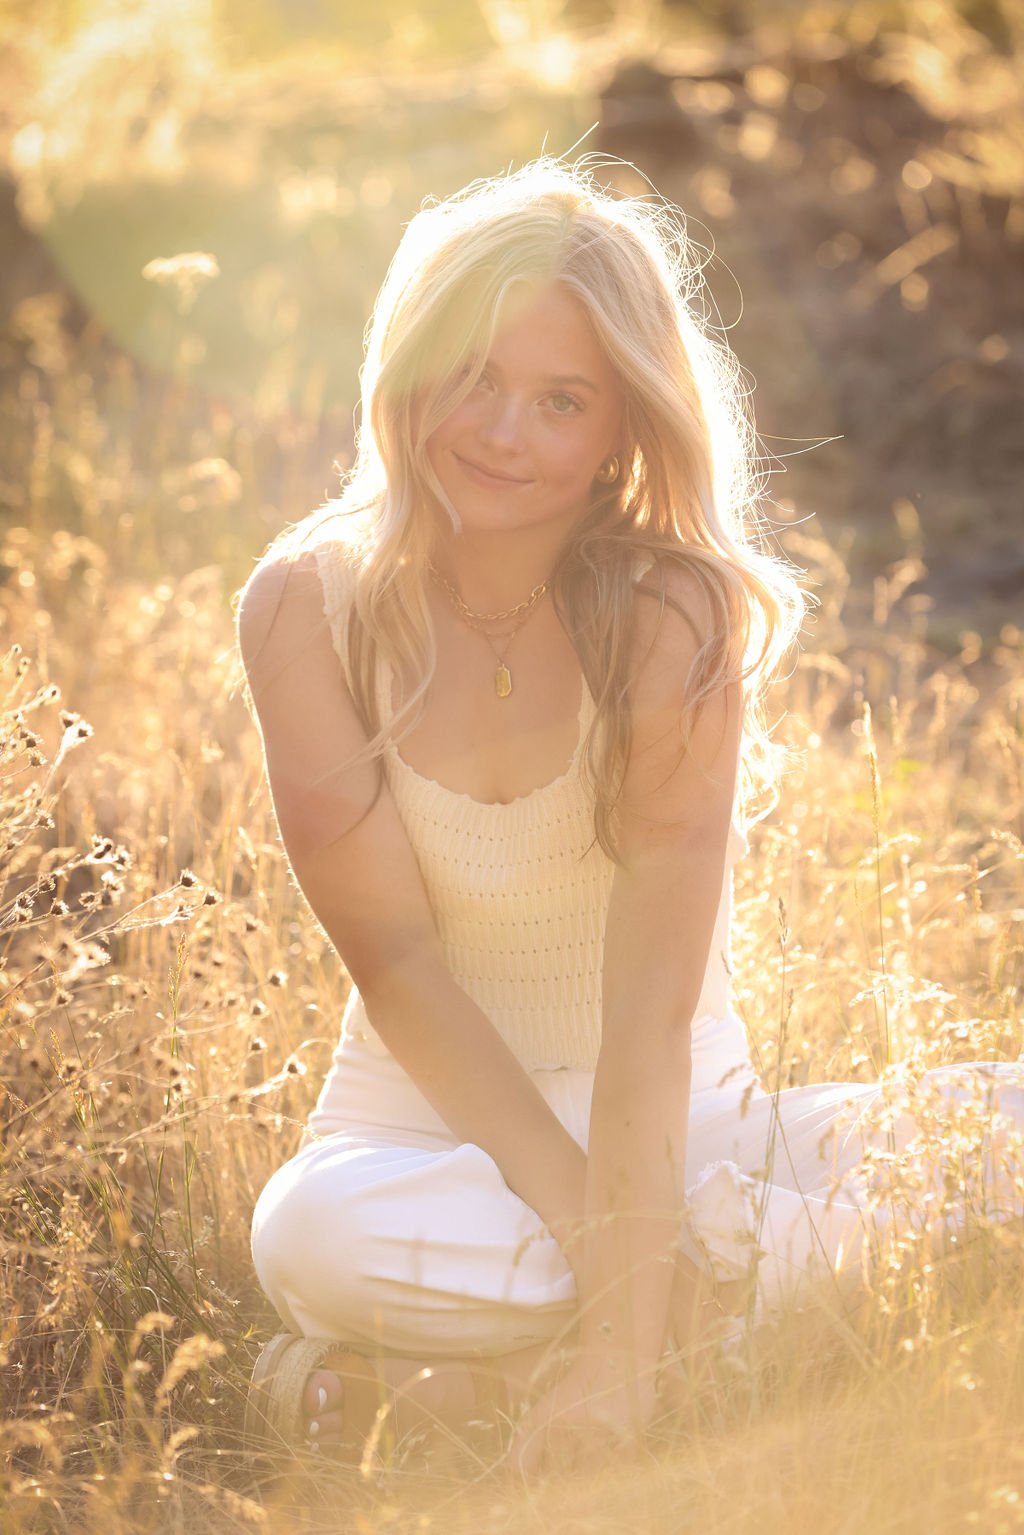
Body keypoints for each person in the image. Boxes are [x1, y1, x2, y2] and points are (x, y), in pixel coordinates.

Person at [234, 156, 1024, 1475]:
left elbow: (650, 1017)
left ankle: (442, 1392)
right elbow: (402, 967)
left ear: (620, 429)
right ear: (411, 365)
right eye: (475, 375)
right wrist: (618, 1273)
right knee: (312, 1239)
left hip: (679, 1113)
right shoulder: (304, 607)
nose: (501, 429)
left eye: (560, 401)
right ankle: (724, 1302)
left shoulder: (674, 617)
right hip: (421, 1131)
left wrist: (618, 1311)